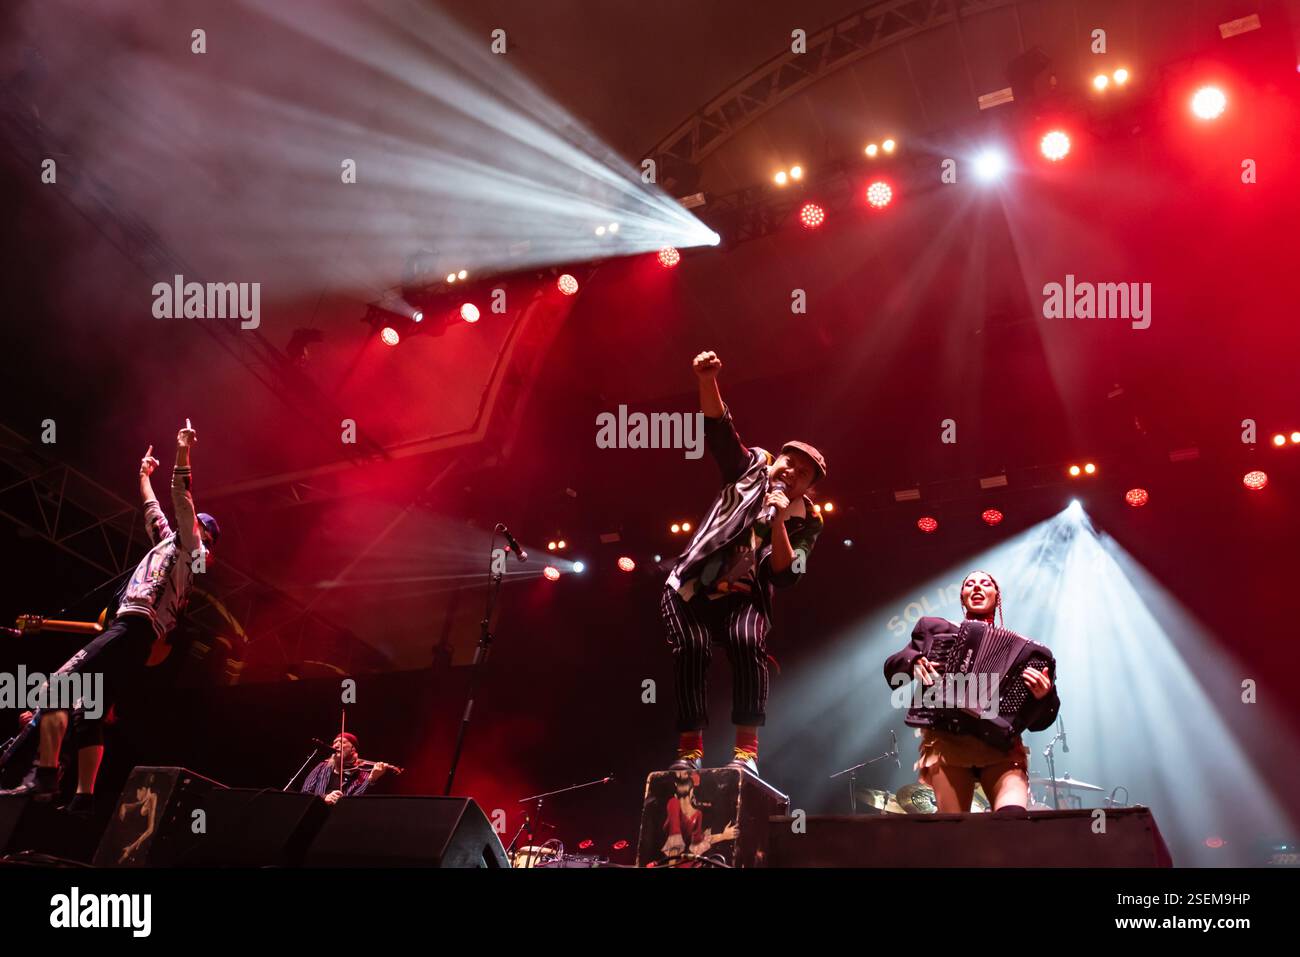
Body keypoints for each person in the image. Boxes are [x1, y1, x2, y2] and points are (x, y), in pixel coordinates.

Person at [0, 421, 219, 812]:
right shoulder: (175, 547)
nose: (188, 524)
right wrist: (142, 476)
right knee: (90, 713)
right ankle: (83, 797)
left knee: (56, 689)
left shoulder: (192, 546)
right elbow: (153, 509)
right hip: (138, 639)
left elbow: (181, 496)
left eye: (195, 524)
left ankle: (44, 778)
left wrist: (183, 449)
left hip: (133, 625)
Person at [660, 350, 827, 777]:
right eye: (791, 462)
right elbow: (719, 429)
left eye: (803, 474)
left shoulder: (809, 520)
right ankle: (690, 750)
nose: (792, 473)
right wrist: (706, 379)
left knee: (747, 645)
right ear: (779, 459)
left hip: (744, 597)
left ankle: (746, 754)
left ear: (808, 487)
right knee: (692, 648)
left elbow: (787, 575)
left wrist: (778, 521)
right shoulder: (751, 467)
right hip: (691, 585)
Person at [884, 570, 1058, 812]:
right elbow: (893, 667)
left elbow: (1041, 721)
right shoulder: (935, 628)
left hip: (1001, 746)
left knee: (1013, 817)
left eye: (985, 583)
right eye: (970, 584)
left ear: (997, 597)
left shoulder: (1026, 654)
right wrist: (913, 662)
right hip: (948, 741)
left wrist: (1044, 696)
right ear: (962, 597)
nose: (977, 587)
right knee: (954, 829)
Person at [300, 733, 398, 805]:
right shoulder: (322, 766)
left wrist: (371, 779)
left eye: (342, 742)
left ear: (353, 749)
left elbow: (356, 803)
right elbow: (305, 793)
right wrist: (324, 798)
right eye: (335, 742)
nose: (336, 745)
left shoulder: (362, 774)